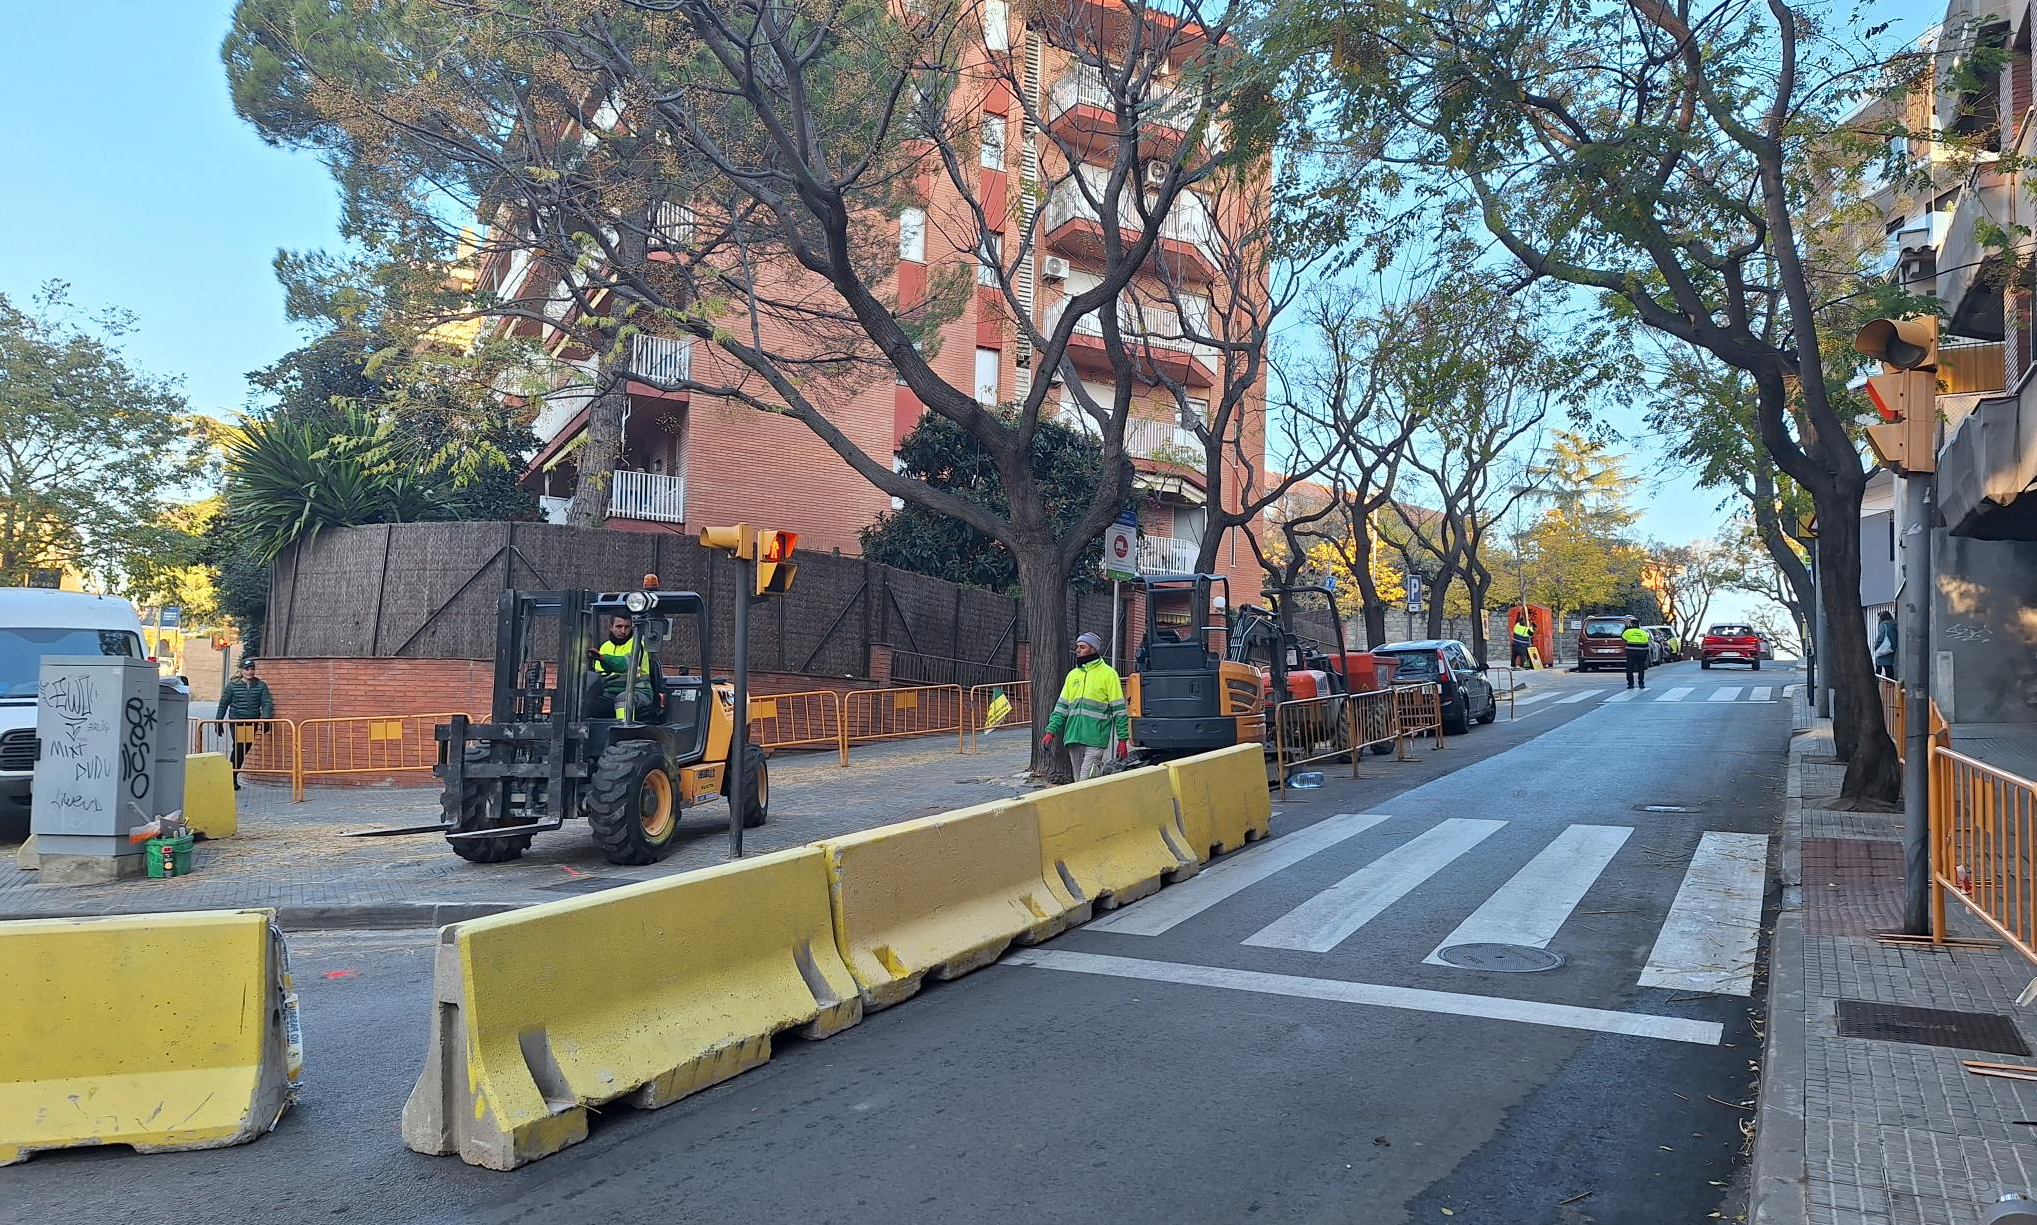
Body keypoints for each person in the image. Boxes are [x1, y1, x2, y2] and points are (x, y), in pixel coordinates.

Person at [1041, 631, 1130, 781]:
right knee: (1079, 782)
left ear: (1093, 649)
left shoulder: (1109, 674)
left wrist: (1122, 740)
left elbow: (1119, 710)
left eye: (1082, 646)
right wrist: (1051, 731)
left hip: (1096, 739)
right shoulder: (1073, 675)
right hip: (1073, 738)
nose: (1077, 650)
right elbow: (1061, 707)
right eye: (1077, 646)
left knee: (1085, 781)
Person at [215, 658, 276, 790]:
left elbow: (266, 702)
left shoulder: (260, 685)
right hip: (238, 721)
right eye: (247, 669)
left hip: (251, 721)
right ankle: (232, 776)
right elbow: (223, 703)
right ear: (242, 670)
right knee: (239, 747)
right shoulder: (232, 686)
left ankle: (232, 774)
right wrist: (218, 720)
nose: (250, 672)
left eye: (252, 669)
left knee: (243, 748)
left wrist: (265, 718)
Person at [587, 614, 662, 719]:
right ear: (611, 627)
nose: (623, 631)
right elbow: (602, 673)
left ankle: (623, 732)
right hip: (610, 692)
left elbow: (626, 665)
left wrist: (604, 658)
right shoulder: (605, 646)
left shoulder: (637, 645)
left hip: (638, 692)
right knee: (586, 702)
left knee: (623, 699)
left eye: (627, 627)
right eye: (619, 626)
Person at [1621, 616, 1653, 690]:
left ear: (1631, 625)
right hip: (1641, 653)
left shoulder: (1628, 631)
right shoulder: (1643, 632)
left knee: (1629, 669)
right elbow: (1646, 643)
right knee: (1641, 669)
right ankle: (1641, 684)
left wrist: (1626, 629)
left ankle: (1630, 684)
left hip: (1631, 653)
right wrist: (1646, 655)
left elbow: (1623, 638)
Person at [1872, 610, 1898, 679]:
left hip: (1883, 648)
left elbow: (1881, 637)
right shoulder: (1893, 624)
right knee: (1889, 667)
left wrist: (1876, 646)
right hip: (1891, 648)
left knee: (1879, 667)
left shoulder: (1883, 624)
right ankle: (1890, 684)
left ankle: (1877, 683)